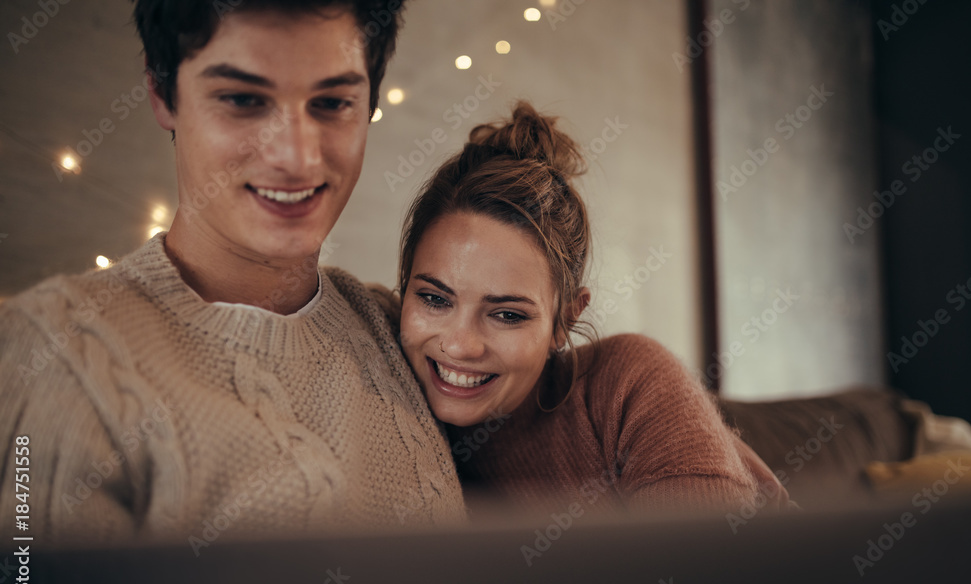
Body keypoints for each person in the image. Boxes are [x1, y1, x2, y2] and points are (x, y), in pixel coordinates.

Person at [0, 0, 465, 546]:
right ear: (161, 94)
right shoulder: (59, 352)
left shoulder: (393, 326)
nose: (295, 156)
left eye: (333, 102)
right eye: (244, 100)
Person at [390, 101, 790, 515]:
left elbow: (709, 570)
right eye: (435, 299)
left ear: (564, 321)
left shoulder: (627, 383)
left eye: (507, 314)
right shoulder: (386, 391)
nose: (459, 346)